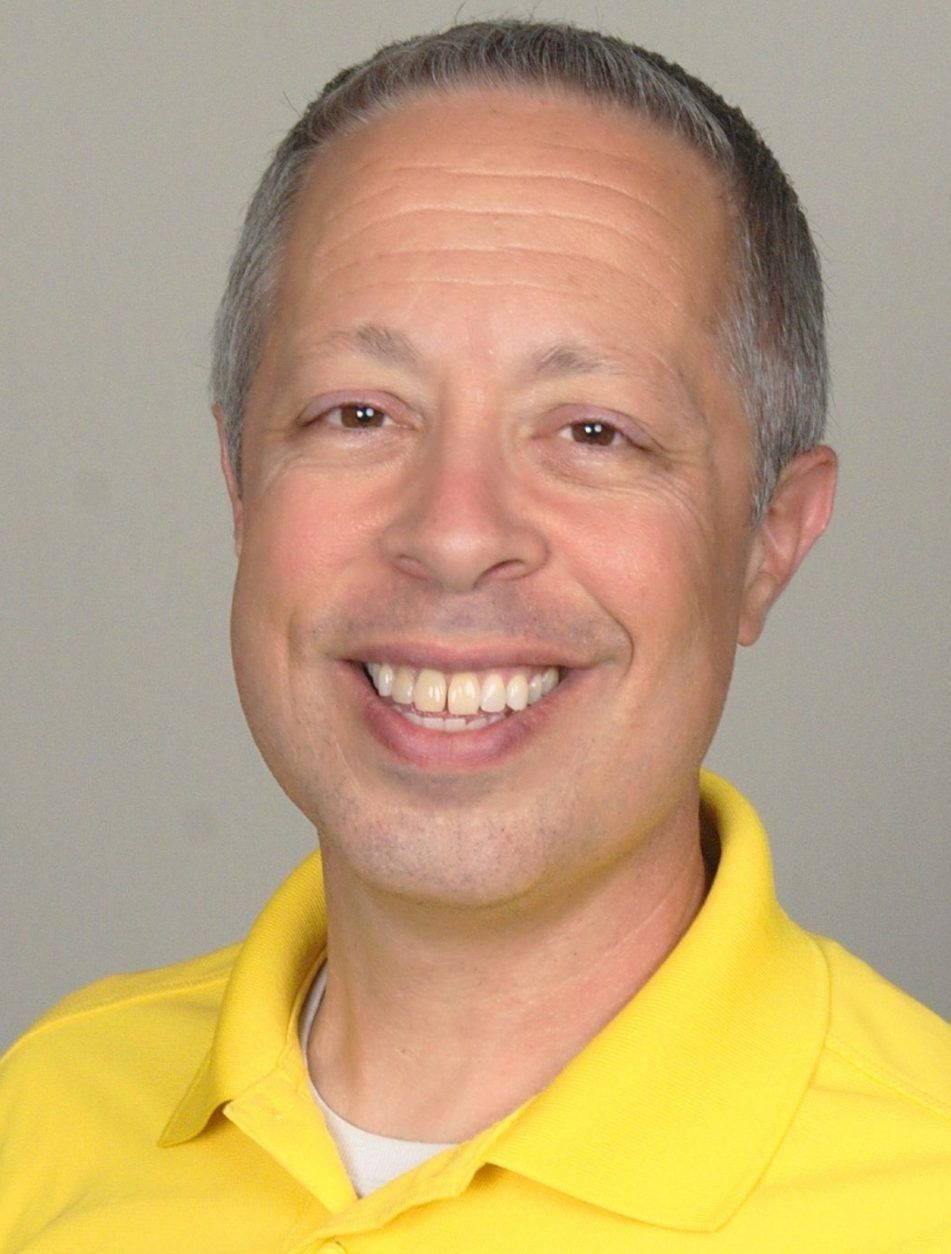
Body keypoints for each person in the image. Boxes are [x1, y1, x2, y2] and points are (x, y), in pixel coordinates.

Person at [1, 19, 948, 1251]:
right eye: (358, 414)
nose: (454, 534)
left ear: (771, 535)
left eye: (593, 432)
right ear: (242, 490)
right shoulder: (41, 1119)